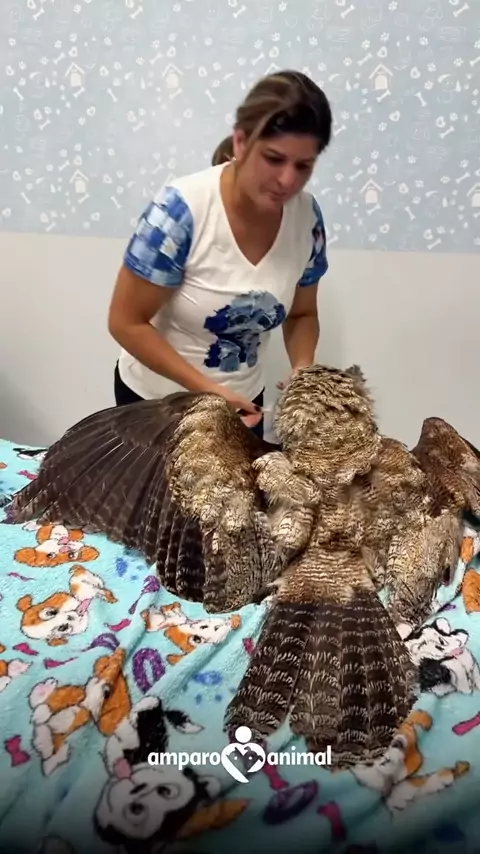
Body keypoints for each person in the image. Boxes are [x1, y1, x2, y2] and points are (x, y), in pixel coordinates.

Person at [108, 69, 332, 438]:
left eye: (303, 166)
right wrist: (209, 391)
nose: (287, 180)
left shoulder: (307, 219)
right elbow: (125, 322)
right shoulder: (179, 212)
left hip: (242, 403)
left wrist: (302, 371)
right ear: (241, 142)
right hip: (158, 404)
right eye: (273, 159)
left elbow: (302, 313)